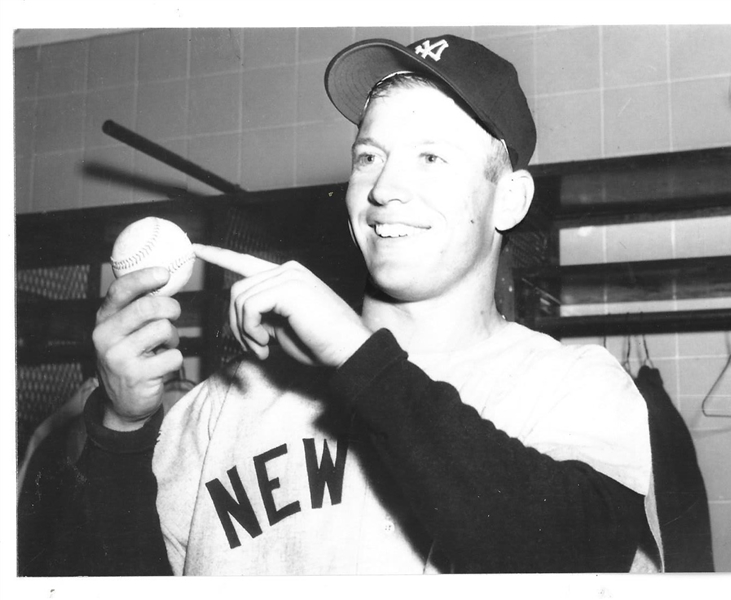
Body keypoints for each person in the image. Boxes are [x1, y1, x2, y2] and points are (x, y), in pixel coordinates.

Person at [18, 34, 662, 576]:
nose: (385, 188)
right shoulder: (225, 403)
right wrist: (123, 434)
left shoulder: (574, 388)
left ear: (512, 200)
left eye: (431, 156)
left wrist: (357, 356)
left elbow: (584, 562)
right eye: (368, 157)